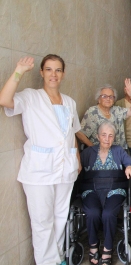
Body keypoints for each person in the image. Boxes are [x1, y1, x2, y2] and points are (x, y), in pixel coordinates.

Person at [0, 55, 81, 265]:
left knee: (60, 218)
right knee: (42, 221)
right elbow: (4, 100)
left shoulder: (70, 102)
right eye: (48, 69)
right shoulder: (31, 97)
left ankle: (59, 259)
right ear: (41, 72)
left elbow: (71, 134)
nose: (53, 74)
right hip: (39, 170)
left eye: (57, 70)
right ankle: (47, 262)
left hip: (66, 168)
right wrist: (19, 70)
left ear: (63, 73)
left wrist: (77, 160)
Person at [80, 121, 131, 265]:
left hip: (115, 189)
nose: (107, 139)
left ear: (114, 138)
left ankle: (107, 249)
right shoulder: (88, 152)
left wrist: (130, 167)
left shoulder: (119, 150)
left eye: (110, 136)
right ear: (97, 136)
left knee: (108, 213)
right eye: (104, 135)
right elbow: (76, 167)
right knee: (93, 212)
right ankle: (93, 246)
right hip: (91, 189)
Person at [76, 80, 131, 149]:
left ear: (114, 100)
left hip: (117, 153)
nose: (108, 99)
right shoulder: (93, 112)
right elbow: (80, 134)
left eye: (111, 97)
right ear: (98, 99)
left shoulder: (117, 110)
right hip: (99, 155)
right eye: (104, 96)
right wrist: (93, 148)